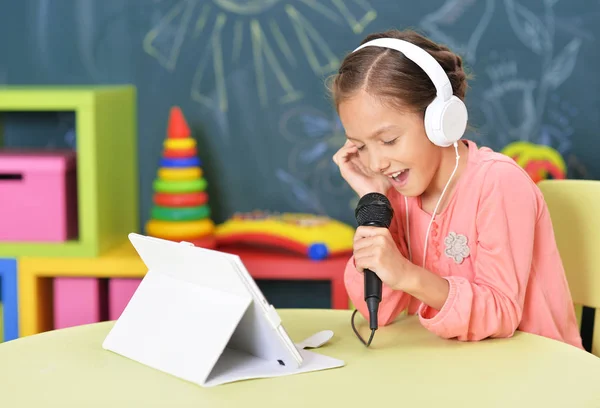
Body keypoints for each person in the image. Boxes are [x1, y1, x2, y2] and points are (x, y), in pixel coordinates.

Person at [330, 29, 583, 349]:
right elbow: (380, 312)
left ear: (441, 119)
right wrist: (373, 202)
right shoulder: (396, 196)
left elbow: (501, 314)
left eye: (388, 140)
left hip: (538, 371)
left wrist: (408, 275)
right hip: (455, 368)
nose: (377, 162)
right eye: (360, 146)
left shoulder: (498, 184)